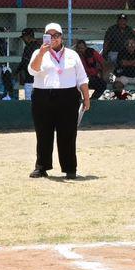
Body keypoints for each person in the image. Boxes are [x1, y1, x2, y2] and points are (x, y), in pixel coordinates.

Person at [28, 22, 90, 179]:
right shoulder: (38, 52)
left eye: (56, 35)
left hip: (68, 96)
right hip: (43, 95)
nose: (53, 38)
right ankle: (41, 167)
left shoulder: (72, 54)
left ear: (61, 37)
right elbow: (32, 70)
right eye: (49, 35)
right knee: (43, 133)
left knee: (68, 133)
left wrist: (86, 98)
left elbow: (82, 78)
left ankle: (70, 168)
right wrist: (42, 54)